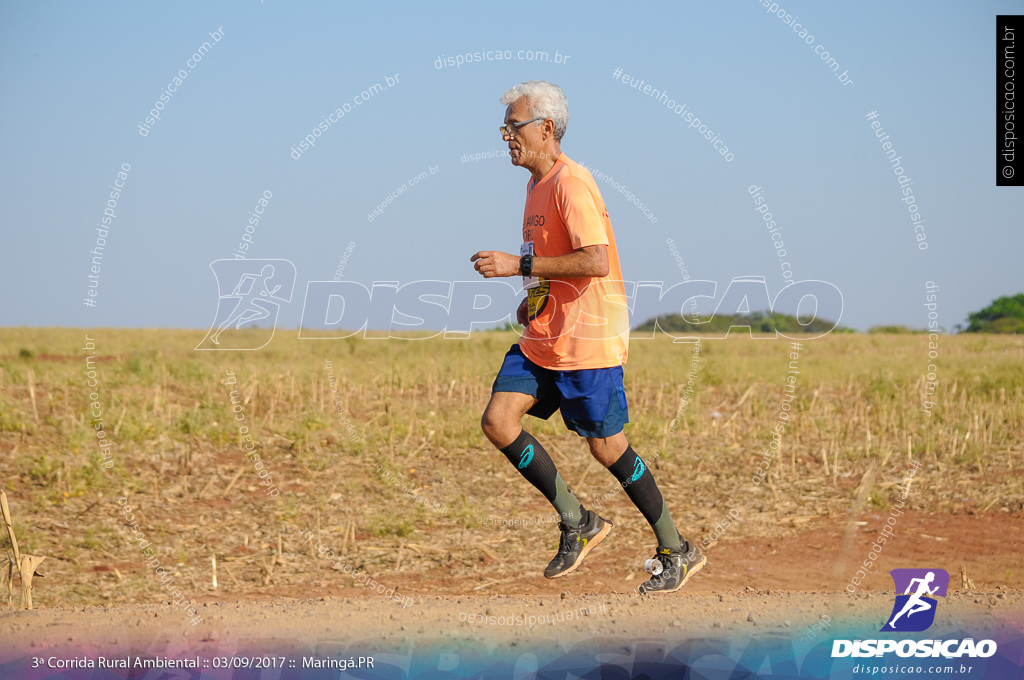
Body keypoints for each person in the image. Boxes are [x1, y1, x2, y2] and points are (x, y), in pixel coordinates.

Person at [471, 80, 705, 594]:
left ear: (546, 129)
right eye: (505, 127)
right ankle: (579, 521)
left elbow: (595, 260)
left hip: (588, 340)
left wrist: (518, 265)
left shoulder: (571, 183)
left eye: (513, 126)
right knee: (498, 421)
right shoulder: (535, 186)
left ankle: (677, 548)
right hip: (546, 334)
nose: (506, 136)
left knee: (607, 448)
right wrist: (532, 293)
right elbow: (558, 263)